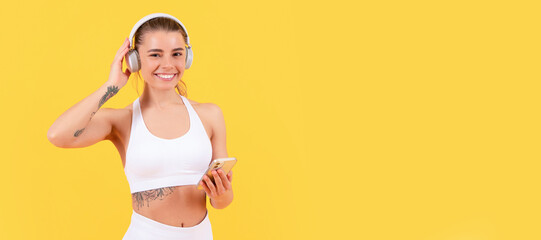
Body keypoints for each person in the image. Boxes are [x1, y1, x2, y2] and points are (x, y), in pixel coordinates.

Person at [47, 13, 233, 240]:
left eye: (177, 54)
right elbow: (58, 135)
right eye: (155, 55)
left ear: (188, 57)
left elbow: (222, 202)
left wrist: (221, 194)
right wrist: (111, 86)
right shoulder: (122, 120)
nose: (168, 65)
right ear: (135, 60)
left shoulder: (210, 115)